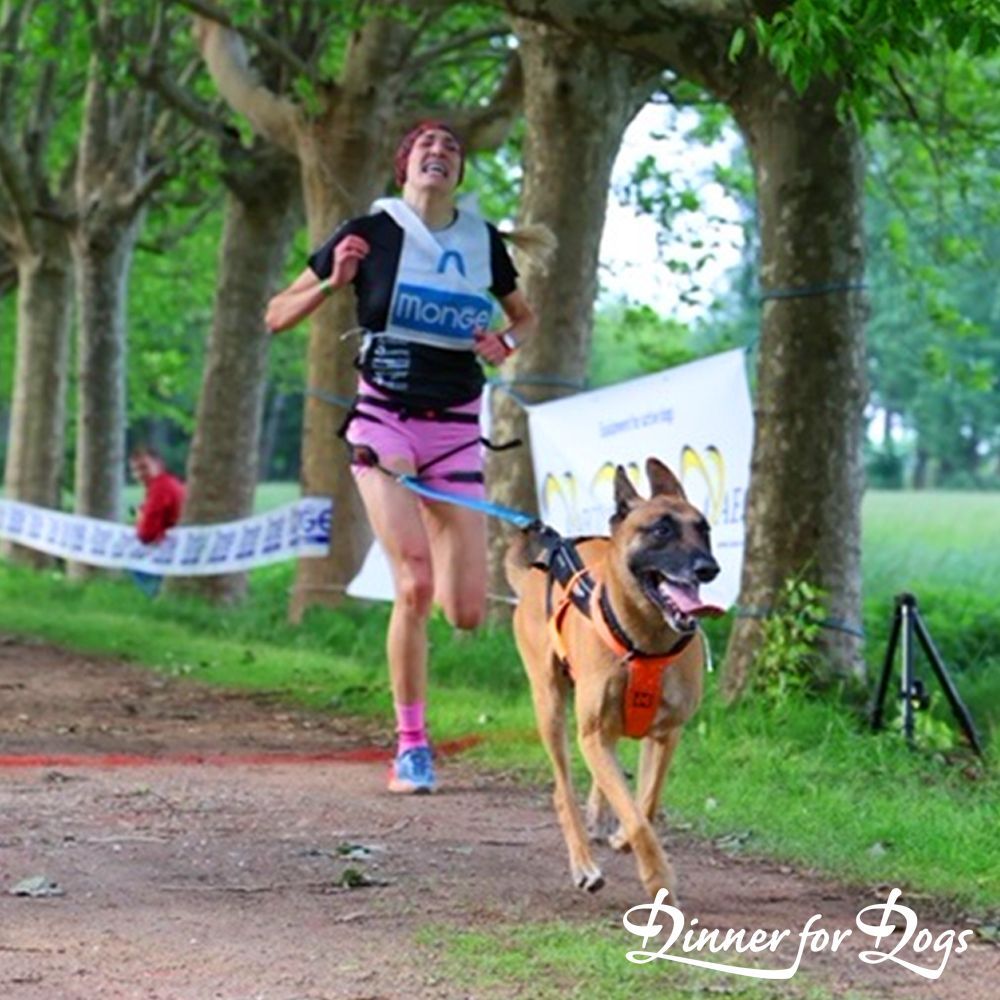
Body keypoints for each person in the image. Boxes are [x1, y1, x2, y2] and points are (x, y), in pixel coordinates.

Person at [266, 120, 539, 794]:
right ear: (404, 166)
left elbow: (524, 319)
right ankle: (412, 746)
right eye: (427, 146)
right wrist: (333, 282)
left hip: (455, 428)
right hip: (382, 421)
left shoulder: (482, 242)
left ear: (459, 173)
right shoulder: (371, 231)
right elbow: (275, 314)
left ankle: (429, 655)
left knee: (468, 611)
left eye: (451, 149)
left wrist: (504, 343)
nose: (439, 153)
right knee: (412, 584)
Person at [129, 445, 186, 596]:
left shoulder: (160, 488)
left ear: (159, 465)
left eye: (144, 468)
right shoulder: (170, 482)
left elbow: (147, 534)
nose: (139, 474)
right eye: (135, 470)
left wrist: (140, 520)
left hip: (172, 550)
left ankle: (157, 597)